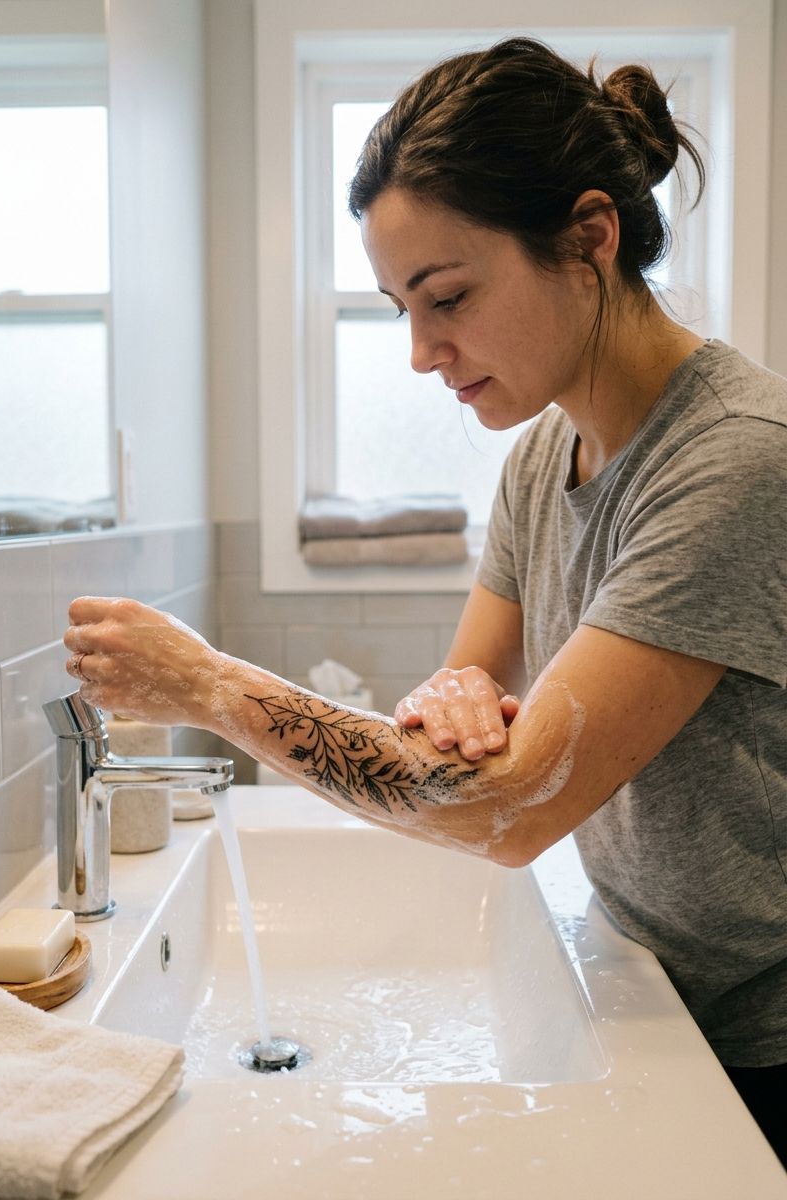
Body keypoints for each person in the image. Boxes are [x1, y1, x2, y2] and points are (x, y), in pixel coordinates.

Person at [62, 38, 786, 1166]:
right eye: (400, 304)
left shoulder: (734, 465)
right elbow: (464, 705)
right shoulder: (546, 452)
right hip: (645, 974)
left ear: (587, 238)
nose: (418, 352)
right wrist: (456, 697)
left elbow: (504, 809)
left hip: (763, 1045)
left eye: (445, 296)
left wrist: (205, 685)